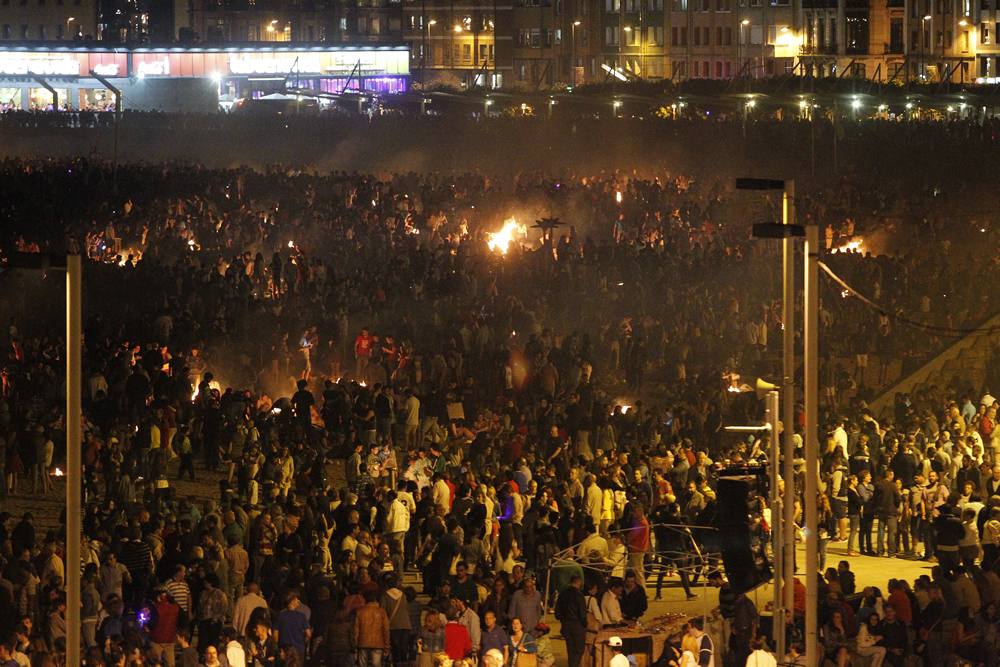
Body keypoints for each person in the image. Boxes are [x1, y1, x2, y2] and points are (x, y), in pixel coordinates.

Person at [555, 574, 588, 667]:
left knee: (570, 649)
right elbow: (582, 613)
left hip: (565, 625)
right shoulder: (579, 595)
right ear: (579, 582)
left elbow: (557, 612)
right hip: (577, 626)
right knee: (579, 650)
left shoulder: (563, 594)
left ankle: (571, 664)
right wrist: (585, 624)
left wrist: (562, 619)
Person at [355, 588, 390, 667]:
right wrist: (387, 645)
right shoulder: (381, 612)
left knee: (362, 664)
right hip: (378, 642)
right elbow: (386, 630)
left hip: (362, 642)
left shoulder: (360, 611)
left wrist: (354, 644)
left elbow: (356, 630)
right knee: (376, 664)